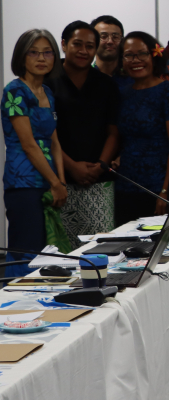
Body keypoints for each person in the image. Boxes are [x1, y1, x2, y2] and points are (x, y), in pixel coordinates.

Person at [2, 29, 66, 276]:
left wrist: (60, 181)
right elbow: (29, 145)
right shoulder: (15, 91)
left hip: (50, 181)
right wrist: (54, 181)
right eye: (34, 52)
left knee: (47, 252)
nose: (42, 58)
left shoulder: (48, 92)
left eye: (47, 52)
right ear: (22, 56)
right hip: (24, 183)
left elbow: (55, 142)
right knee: (26, 252)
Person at [48, 21, 119, 236]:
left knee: (100, 250)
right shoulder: (48, 80)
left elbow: (114, 132)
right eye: (77, 44)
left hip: (98, 182)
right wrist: (70, 166)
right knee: (60, 252)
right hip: (57, 180)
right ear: (63, 44)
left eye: (89, 46)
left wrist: (101, 165)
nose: (83, 51)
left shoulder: (106, 84)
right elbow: (44, 134)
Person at [115, 31, 169, 223]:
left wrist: (165, 190)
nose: (135, 60)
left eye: (142, 54)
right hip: (125, 186)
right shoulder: (122, 94)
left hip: (157, 187)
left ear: (154, 56)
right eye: (129, 55)